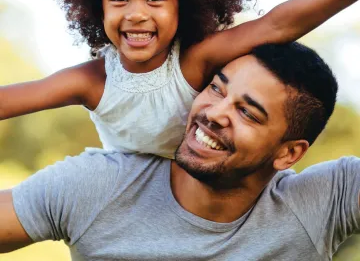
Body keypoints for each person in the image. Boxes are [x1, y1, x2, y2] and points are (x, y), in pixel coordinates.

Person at [1, 0, 360, 158]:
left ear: (183, 6)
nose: (136, 14)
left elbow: (278, 23)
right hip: (131, 199)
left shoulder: (193, 62)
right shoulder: (92, 80)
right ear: (98, 8)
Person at [1, 42, 358, 260]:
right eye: (217, 90)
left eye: (247, 112)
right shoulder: (97, 185)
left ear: (289, 153)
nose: (215, 113)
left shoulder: (323, 202)